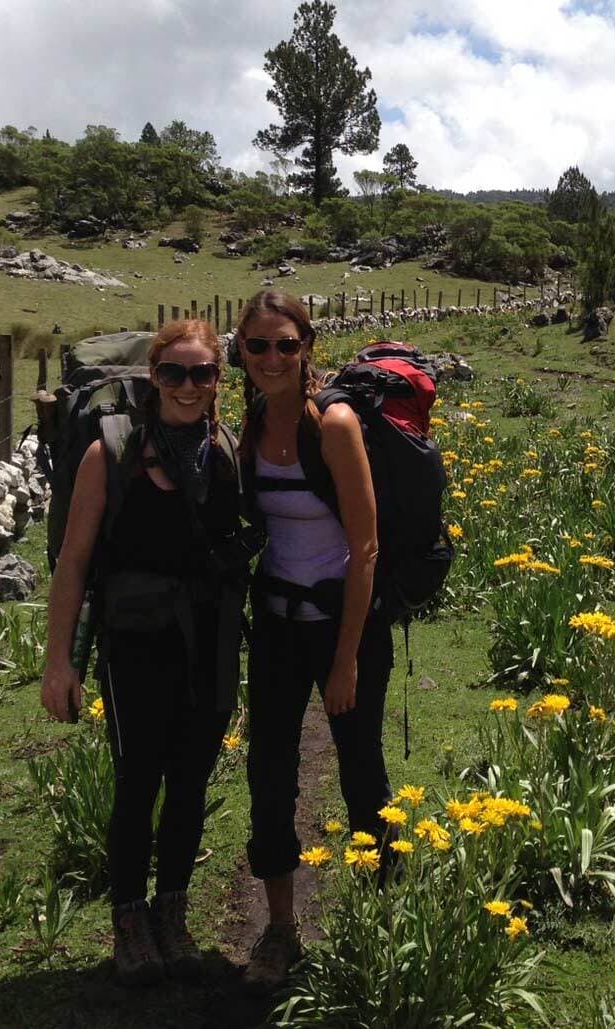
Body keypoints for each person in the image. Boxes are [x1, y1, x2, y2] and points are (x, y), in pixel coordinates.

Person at [40, 319, 250, 987]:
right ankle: (130, 920)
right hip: (134, 646)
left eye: (202, 374)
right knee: (138, 783)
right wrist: (59, 660)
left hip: (209, 644)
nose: (188, 387)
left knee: (189, 783)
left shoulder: (224, 449)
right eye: (173, 373)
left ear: (219, 380)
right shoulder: (114, 451)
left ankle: (173, 911)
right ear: (151, 377)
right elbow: (73, 565)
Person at [234, 290, 393, 993]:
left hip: (340, 622)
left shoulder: (334, 424)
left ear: (307, 348)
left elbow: (366, 547)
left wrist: (346, 656)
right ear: (241, 352)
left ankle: (382, 919)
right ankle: (279, 926)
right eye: (257, 346)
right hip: (274, 624)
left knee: (361, 770)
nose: (271, 359)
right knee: (268, 774)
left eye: (284, 345)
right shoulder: (247, 424)